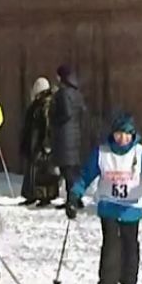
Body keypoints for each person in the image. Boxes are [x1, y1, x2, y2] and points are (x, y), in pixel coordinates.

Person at [65, 113, 142, 284]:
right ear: (113, 134)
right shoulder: (102, 153)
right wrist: (75, 194)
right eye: (119, 134)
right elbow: (85, 176)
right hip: (109, 206)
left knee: (130, 247)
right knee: (111, 247)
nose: (123, 138)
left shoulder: (140, 153)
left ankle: (130, 283)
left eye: (127, 134)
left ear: (133, 135)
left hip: (131, 207)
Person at [19, 77, 59, 207]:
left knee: (43, 171)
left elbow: (48, 125)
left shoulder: (46, 104)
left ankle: (45, 196)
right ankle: (31, 195)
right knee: (33, 170)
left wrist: (47, 143)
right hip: (34, 140)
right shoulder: (36, 104)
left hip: (40, 142)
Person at [51, 64, 85, 208]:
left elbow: (65, 113)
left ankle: (73, 199)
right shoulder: (76, 93)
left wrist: (54, 120)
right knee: (71, 169)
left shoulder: (63, 93)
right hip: (75, 134)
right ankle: (75, 197)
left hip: (65, 136)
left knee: (67, 170)